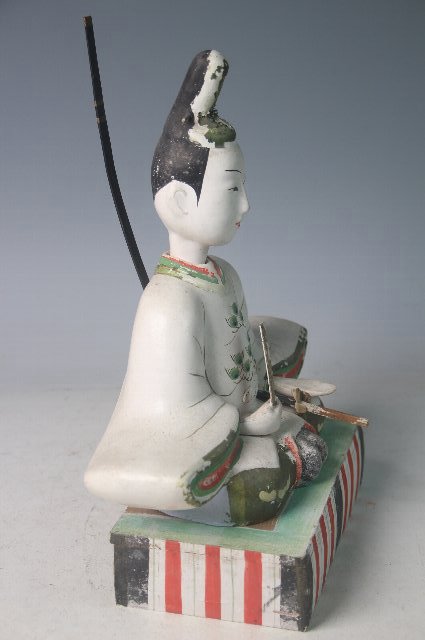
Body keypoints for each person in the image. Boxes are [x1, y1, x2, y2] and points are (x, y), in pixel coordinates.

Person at [85, 50, 327, 526]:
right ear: (180, 200)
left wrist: (262, 399)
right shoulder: (166, 304)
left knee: (311, 440)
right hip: (212, 435)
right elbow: (174, 411)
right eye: (233, 189)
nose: (246, 204)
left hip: (245, 414)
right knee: (267, 479)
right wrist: (248, 422)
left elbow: (242, 357)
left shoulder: (226, 274)